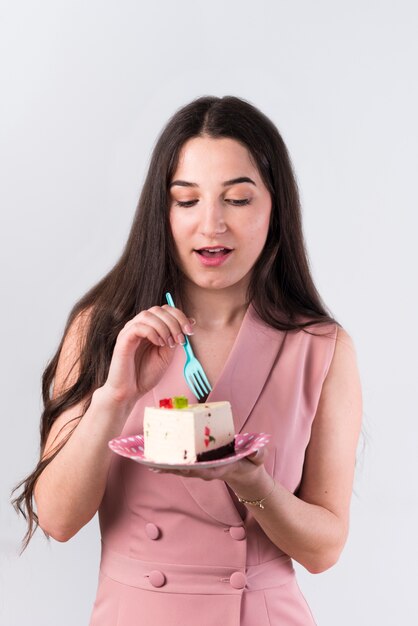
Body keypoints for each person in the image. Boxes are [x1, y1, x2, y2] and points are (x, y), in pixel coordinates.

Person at [13, 95, 362, 625]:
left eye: (238, 200)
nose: (212, 225)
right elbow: (58, 520)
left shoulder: (322, 346)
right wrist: (115, 397)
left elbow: (324, 550)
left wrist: (253, 484)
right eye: (187, 200)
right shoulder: (101, 327)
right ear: (162, 209)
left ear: (275, 207)